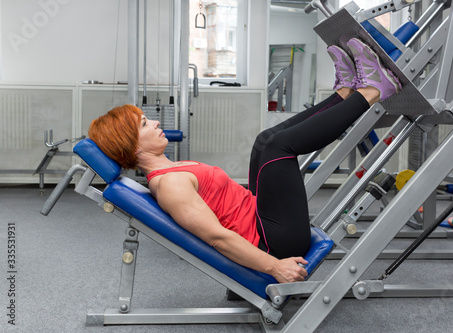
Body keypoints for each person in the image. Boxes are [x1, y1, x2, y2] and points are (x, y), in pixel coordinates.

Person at [88, 38, 402, 284]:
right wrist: (275, 267)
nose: (155, 123)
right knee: (280, 146)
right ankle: (374, 90)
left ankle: (346, 93)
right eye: (145, 124)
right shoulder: (170, 185)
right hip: (274, 242)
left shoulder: (170, 168)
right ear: (132, 146)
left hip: (263, 221)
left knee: (265, 141)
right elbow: (216, 237)